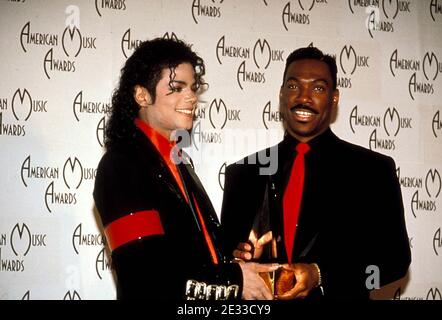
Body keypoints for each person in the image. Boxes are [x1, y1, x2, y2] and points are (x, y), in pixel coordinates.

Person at [220, 46, 411, 300]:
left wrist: (320, 274)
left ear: (334, 98)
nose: (304, 97)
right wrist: (238, 260)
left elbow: (394, 261)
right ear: (281, 94)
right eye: (293, 86)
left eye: (318, 88)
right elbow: (223, 257)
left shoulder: (372, 170)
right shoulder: (242, 174)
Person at [93, 38, 277, 300]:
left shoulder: (179, 164)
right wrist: (234, 280)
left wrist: (235, 260)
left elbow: (194, 259)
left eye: (193, 87)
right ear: (142, 95)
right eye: (177, 88)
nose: (191, 97)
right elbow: (144, 277)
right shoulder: (121, 166)